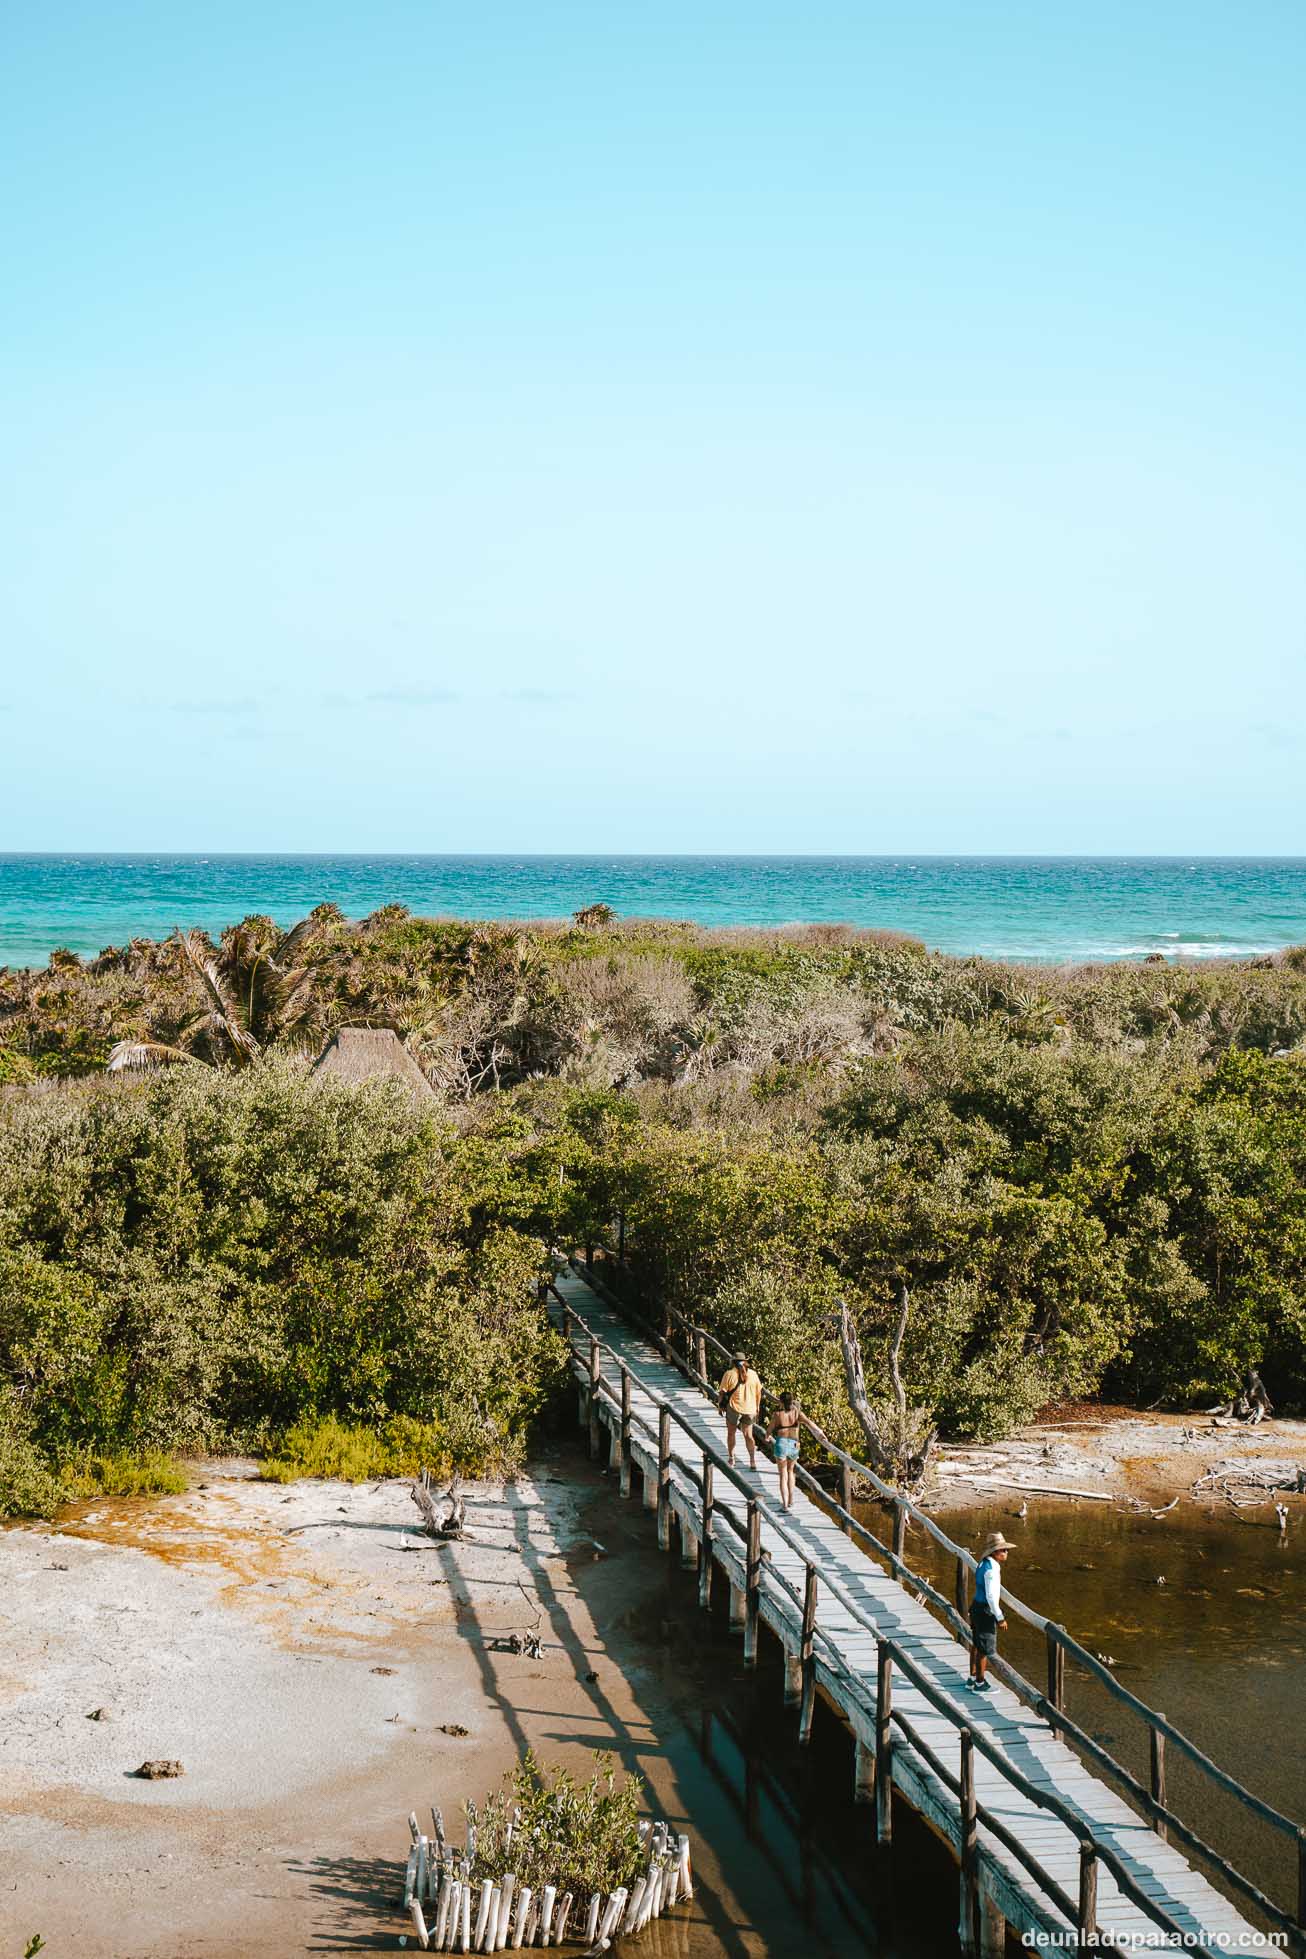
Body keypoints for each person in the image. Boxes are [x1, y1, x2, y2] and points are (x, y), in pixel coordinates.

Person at [967, 1531, 1013, 1692]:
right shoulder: (991, 1570)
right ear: (995, 1552)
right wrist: (1000, 1618)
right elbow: (992, 1596)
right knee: (984, 1648)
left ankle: (972, 1677)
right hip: (985, 1610)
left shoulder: (983, 1563)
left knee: (976, 1642)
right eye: (1003, 1550)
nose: (1006, 1553)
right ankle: (980, 1682)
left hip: (976, 1607)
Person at [717, 1350, 762, 1470]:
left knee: (731, 1433)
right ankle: (752, 1461)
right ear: (745, 1362)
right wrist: (757, 1407)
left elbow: (722, 1392)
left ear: (733, 1362)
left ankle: (731, 1459)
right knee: (748, 1435)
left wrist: (719, 1406)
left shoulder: (729, 1374)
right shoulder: (753, 1374)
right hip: (750, 1408)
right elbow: (759, 1393)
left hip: (734, 1407)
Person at [768, 1393, 801, 1508]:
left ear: (781, 1402)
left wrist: (767, 1436)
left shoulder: (777, 1414)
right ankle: (791, 1499)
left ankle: (785, 1505)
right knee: (791, 1472)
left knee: (783, 1474)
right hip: (794, 1444)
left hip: (782, 1443)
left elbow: (769, 1430)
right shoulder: (796, 1412)